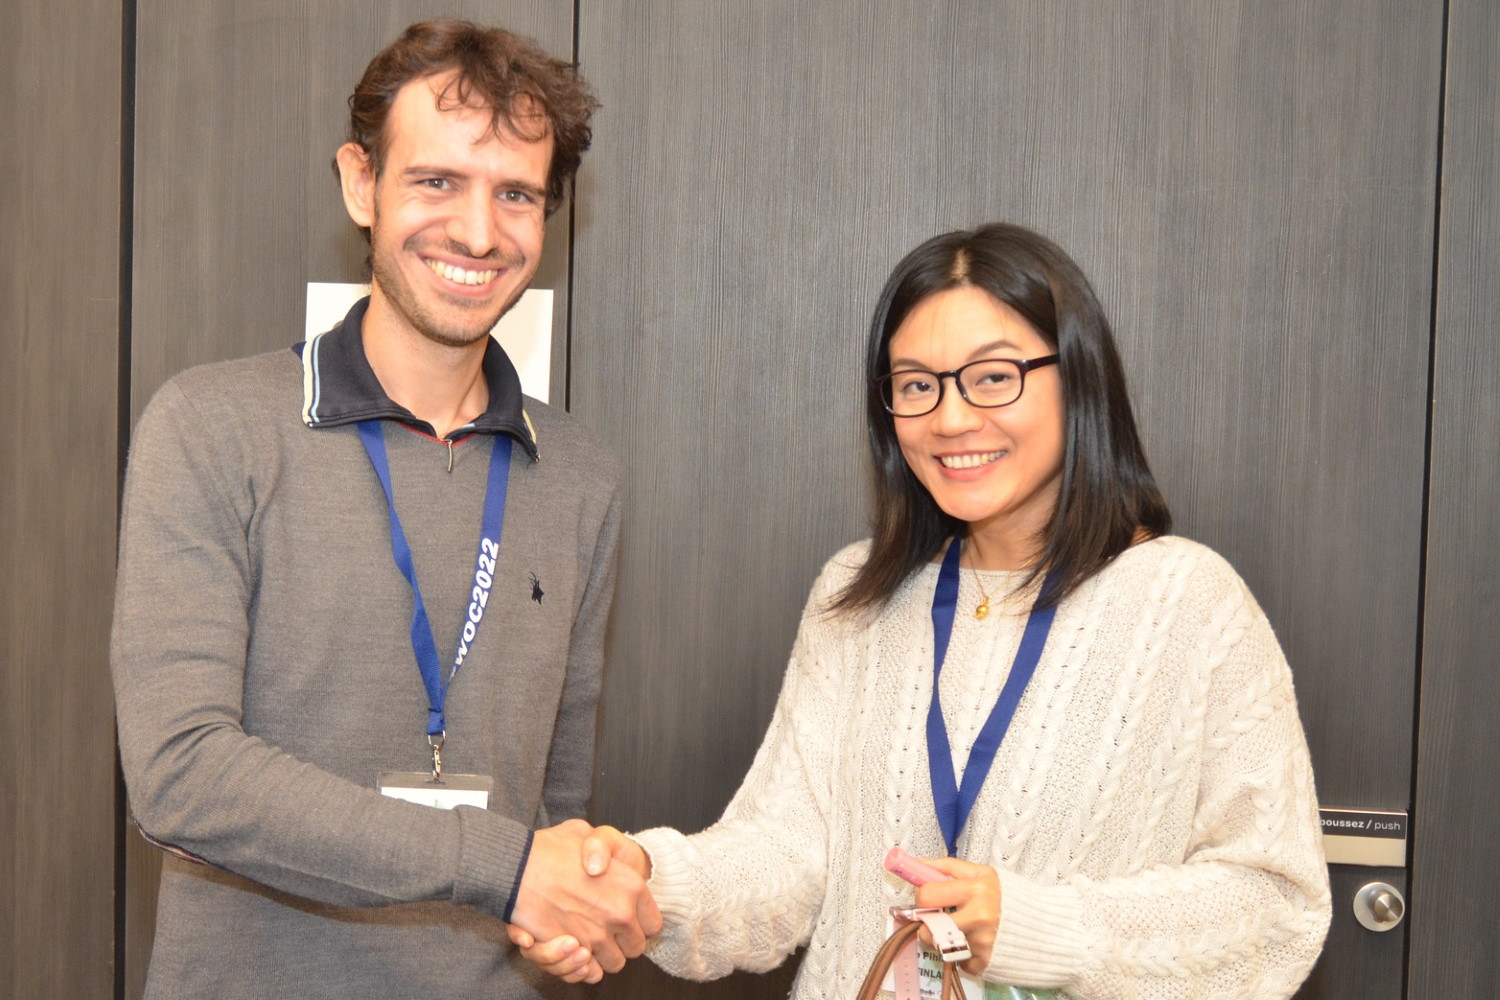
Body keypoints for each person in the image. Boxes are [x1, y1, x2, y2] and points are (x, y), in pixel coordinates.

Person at [515, 223, 1332, 998]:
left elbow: (1275, 906)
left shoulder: (1187, 603)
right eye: (916, 385)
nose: (949, 417)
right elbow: (787, 855)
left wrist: (1039, 926)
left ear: (1078, 378)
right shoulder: (857, 592)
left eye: (993, 376)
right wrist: (639, 881)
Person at [111, 19, 657, 999]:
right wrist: (504, 866)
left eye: (517, 194)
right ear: (361, 182)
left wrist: (573, 897)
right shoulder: (209, 426)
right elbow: (181, 774)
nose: (480, 232)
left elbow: (555, 813)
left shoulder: (582, 476)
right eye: (437, 181)